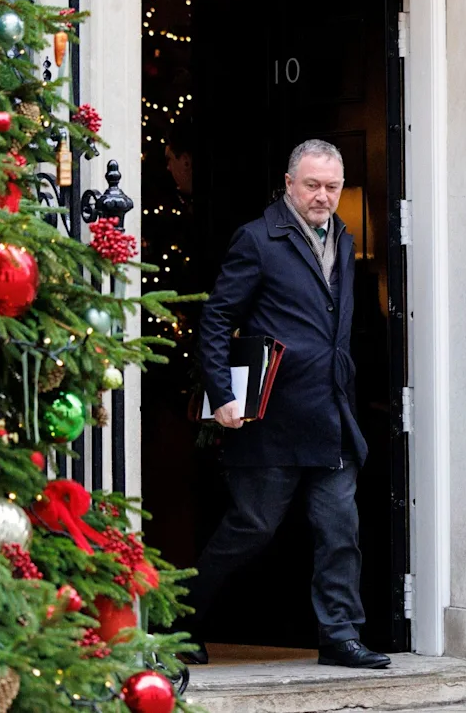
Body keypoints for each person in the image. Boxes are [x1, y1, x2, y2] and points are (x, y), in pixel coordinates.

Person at [187, 139, 389, 669]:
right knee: (250, 527)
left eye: (332, 186)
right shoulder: (258, 239)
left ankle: (340, 635)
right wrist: (222, 396)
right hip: (271, 417)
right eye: (313, 185)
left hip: (332, 414)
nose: (323, 196)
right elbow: (213, 320)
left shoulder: (344, 239)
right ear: (288, 184)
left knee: (339, 528)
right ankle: (179, 619)